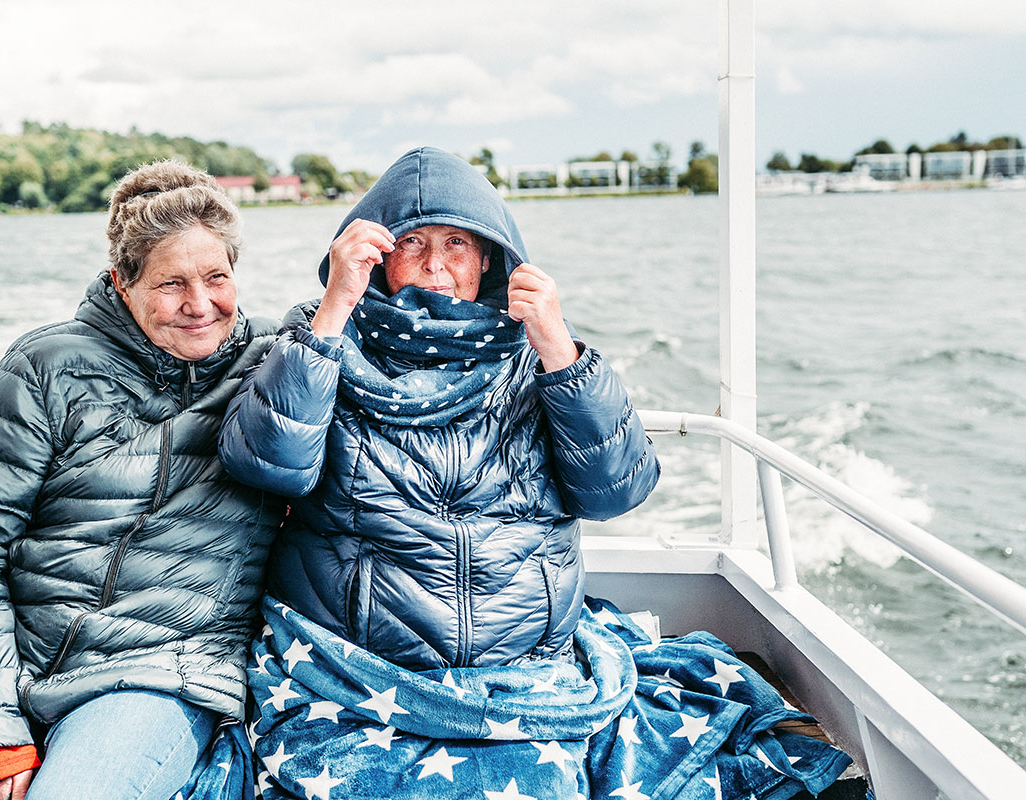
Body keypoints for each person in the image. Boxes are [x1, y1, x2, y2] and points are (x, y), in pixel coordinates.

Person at [219, 147, 852, 799]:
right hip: (359, 668)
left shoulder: (537, 347)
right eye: (413, 243)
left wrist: (561, 350)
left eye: (457, 243)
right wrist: (332, 312)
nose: (436, 264)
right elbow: (268, 466)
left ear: (490, 256)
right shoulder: (317, 335)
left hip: (523, 668)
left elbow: (617, 490)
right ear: (376, 255)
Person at [0, 160, 282, 800]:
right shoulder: (47, 366)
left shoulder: (276, 360)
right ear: (123, 282)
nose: (200, 304)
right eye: (171, 283)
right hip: (3, 650)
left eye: (216, 277)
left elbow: (381, 323)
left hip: (159, 670)